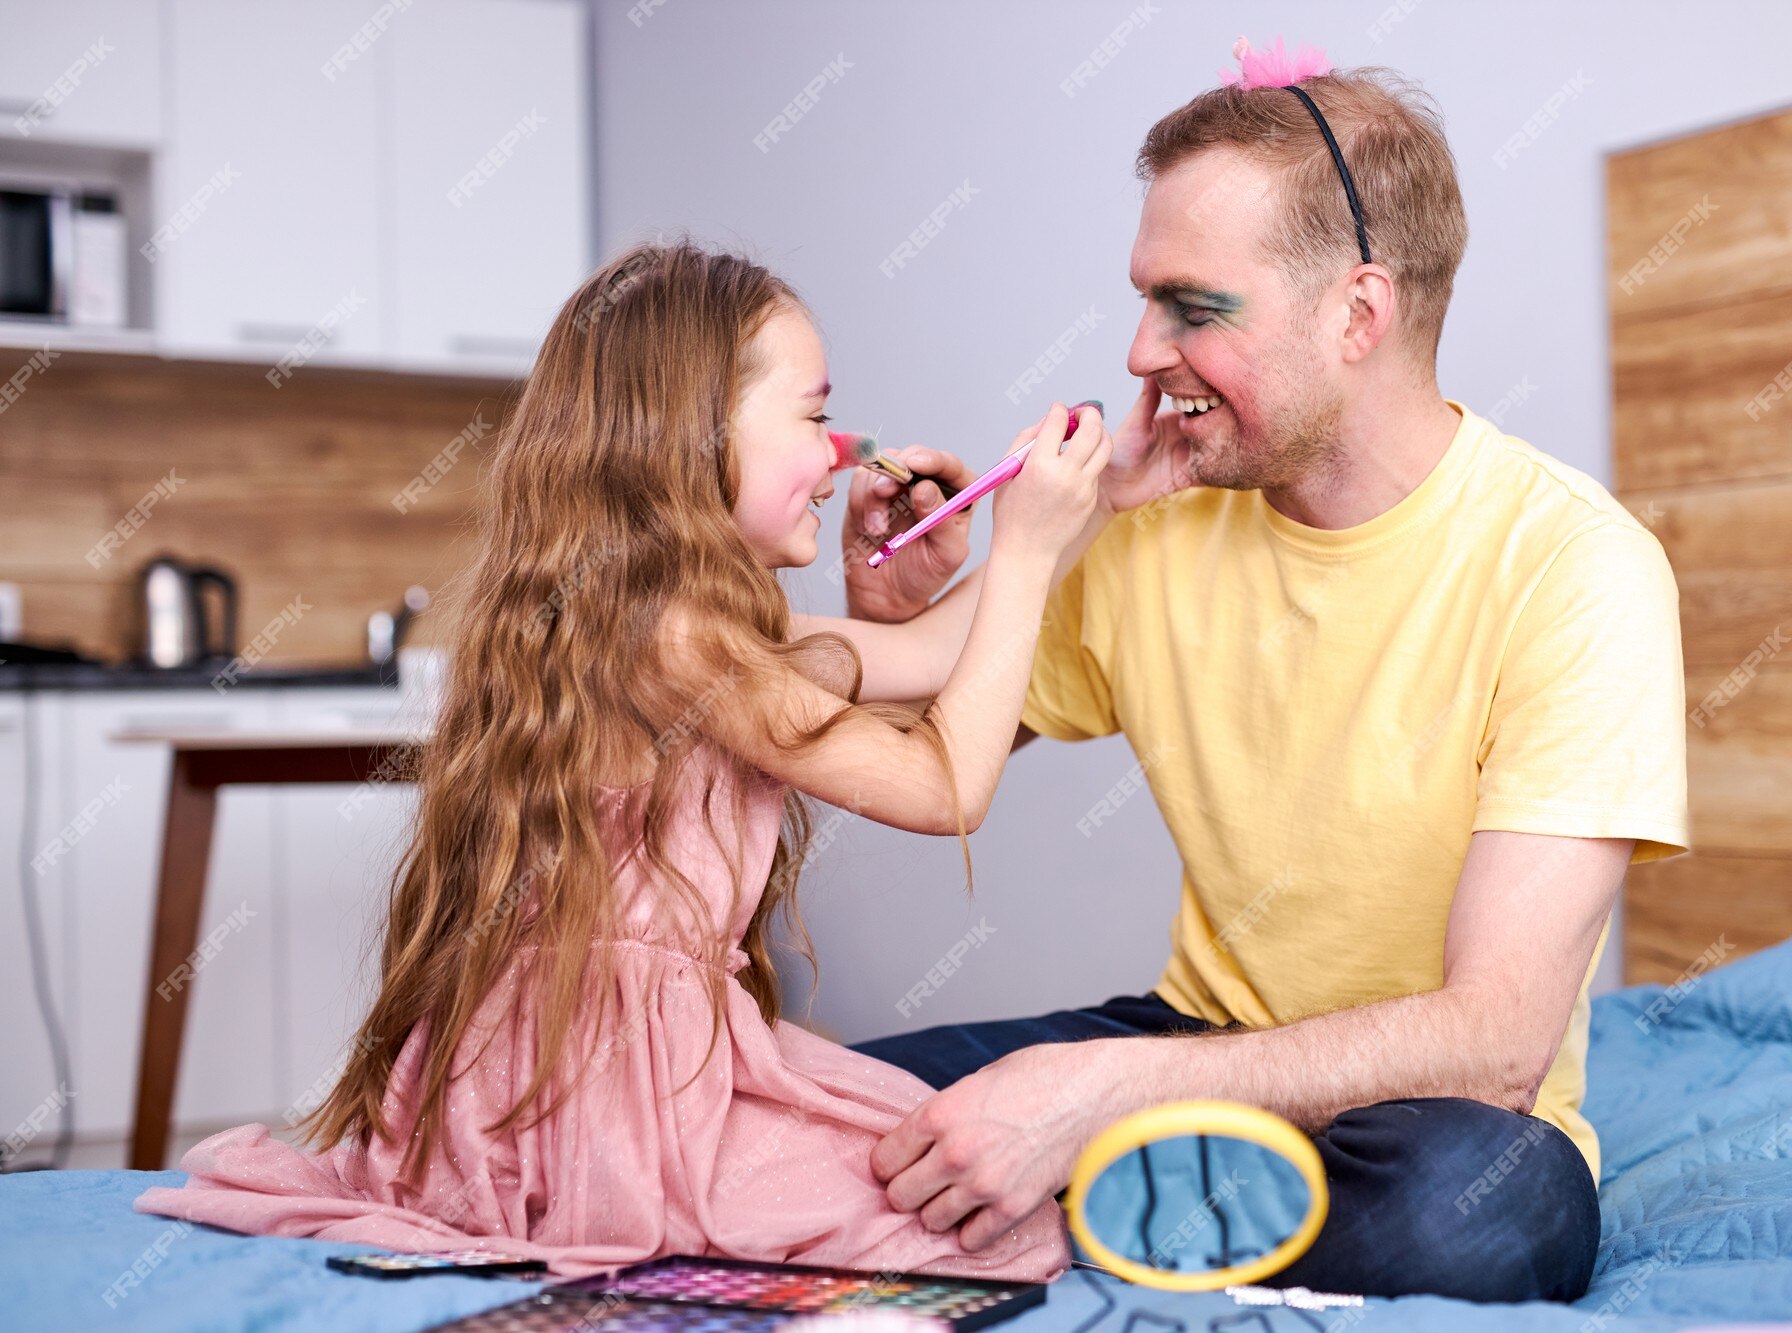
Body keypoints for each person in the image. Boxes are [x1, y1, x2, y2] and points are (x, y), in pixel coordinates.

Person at [838, 40, 1690, 1302]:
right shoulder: (1161, 519)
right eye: (1142, 300)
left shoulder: (1576, 569)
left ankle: (1082, 1201)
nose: (1137, 352)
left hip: (1419, 1113)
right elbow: (914, 738)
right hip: (1193, 1040)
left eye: (1191, 307)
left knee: (1478, 1220)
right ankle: (1138, 1213)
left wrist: (1090, 1097)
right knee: (828, 1108)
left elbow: (1496, 1041)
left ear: (1357, 314)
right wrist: (907, 599)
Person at [133, 241, 1108, 1281]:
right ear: (691, 435)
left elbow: (923, 654)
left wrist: (1096, 503)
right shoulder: (676, 638)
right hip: (605, 1088)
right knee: (969, 1219)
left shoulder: (680, 619)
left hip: (621, 1060)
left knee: (943, 1163)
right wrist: (1028, 547)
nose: (837, 456)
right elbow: (945, 786)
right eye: (816, 418)